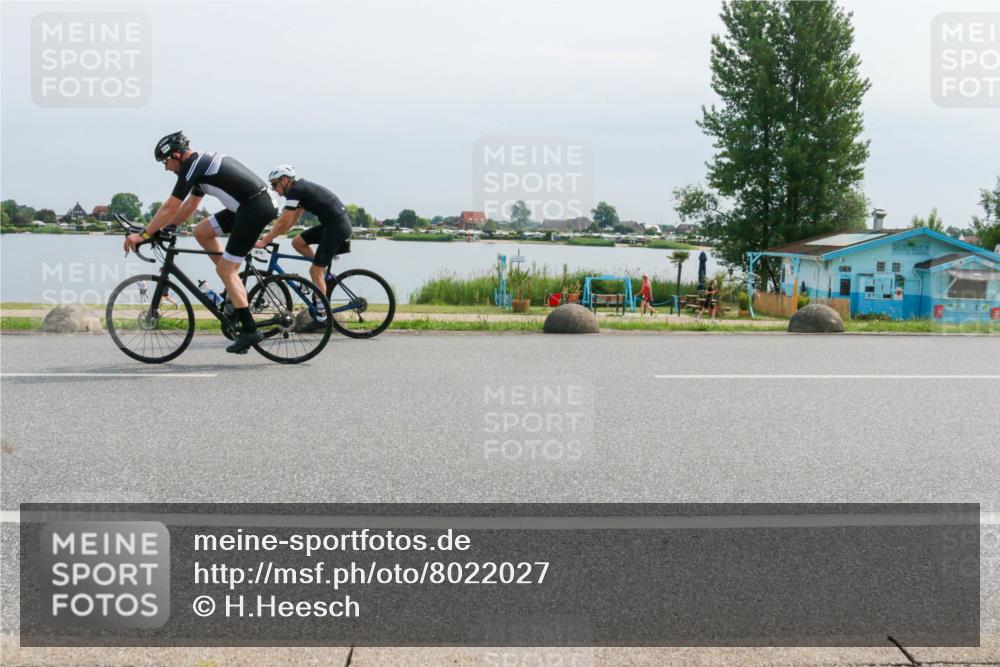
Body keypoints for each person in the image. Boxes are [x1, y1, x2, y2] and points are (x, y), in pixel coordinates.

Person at [124, 131, 279, 353]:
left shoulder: (192, 167)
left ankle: (249, 330)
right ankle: (233, 290)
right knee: (201, 231)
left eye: (165, 161)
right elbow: (189, 206)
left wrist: (145, 235)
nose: (166, 168)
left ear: (176, 155)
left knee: (227, 270)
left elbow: (171, 206)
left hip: (254, 208)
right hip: (249, 205)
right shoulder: (198, 166)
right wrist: (168, 227)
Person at [255, 165, 352, 300]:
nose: (274, 189)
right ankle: (323, 274)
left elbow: (283, 221)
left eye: (274, 184)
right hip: (332, 225)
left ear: (284, 180)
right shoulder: (299, 191)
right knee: (298, 242)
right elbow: (291, 221)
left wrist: (266, 240)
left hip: (336, 228)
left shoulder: (296, 191)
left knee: (314, 271)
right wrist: (271, 235)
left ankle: (323, 314)